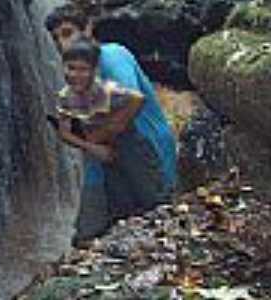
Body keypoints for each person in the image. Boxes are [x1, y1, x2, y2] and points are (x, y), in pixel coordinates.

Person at [46, 4, 177, 242]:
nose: (62, 44)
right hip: (101, 164)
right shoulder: (73, 83)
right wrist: (92, 145)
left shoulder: (111, 55)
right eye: (56, 39)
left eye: (67, 33)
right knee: (90, 234)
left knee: (153, 218)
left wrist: (99, 136)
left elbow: (133, 99)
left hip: (144, 152)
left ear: (88, 28)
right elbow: (67, 129)